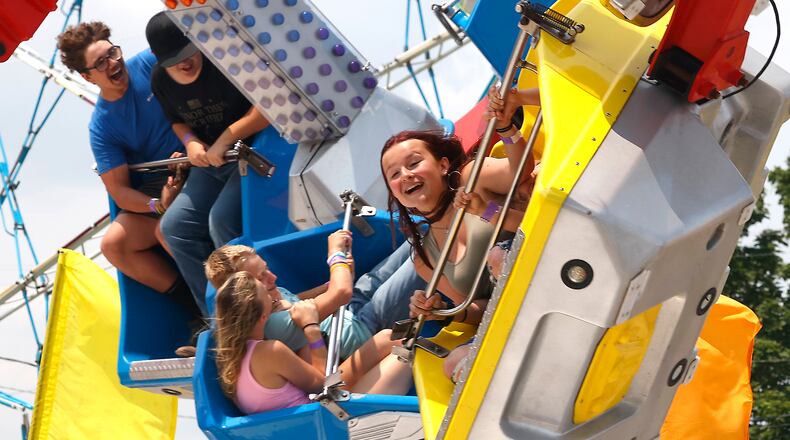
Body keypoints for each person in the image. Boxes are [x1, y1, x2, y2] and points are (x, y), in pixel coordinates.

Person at [379, 86, 539, 381]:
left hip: (543, 267)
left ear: (441, 165)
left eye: (414, 163)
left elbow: (521, 167)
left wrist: (504, 126)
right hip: (511, 315)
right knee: (453, 363)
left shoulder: (470, 178)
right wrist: (443, 312)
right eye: (395, 175)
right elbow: (480, 308)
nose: (406, 175)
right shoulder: (424, 259)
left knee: (498, 256)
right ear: (395, 194)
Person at [57, 22, 198, 317]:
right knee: (114, 244)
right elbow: (120, 191)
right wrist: (158, 204)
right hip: (162, 185)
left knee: (167, 230)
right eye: (101, 62)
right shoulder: (102, 125)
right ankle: (194, 309)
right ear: (87, 76)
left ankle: (220, 305)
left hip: (196, 160)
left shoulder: (148, 63)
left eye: (112, 53)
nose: (113, 63)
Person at [144, 12, 271, 316]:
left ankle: (252, 311)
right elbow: (176, 120)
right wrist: (190, 141)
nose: (185, 63)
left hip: (253, 154)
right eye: (175, 59)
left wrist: (226, 138)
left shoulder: (224, 60)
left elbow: (266, 108)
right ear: (158, 59)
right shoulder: (160, 80)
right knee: (174, 227)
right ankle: (218, 319)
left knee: (221, 219)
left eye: (189, 52)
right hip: (212, 163)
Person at [205, 230, 424, 360]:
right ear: (243, 293)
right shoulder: (272, 324)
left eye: (266, 268)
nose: (272, 278)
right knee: (422, 260)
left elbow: (297, 297)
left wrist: (330, 283)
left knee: (418, 238)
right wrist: (335, 255)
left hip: (350, 308)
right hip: (366, 327)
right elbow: (341, 293)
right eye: (261, 278)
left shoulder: (271, 293)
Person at [215, 271, 413, 414]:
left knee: (388, 337)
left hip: (322, 405)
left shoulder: (229, 357)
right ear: (263, 317)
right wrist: (311, 328)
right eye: (266, 295)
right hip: (333, 415)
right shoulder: (269, 350)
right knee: (406, 350)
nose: (273, 294)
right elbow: (327, 386)